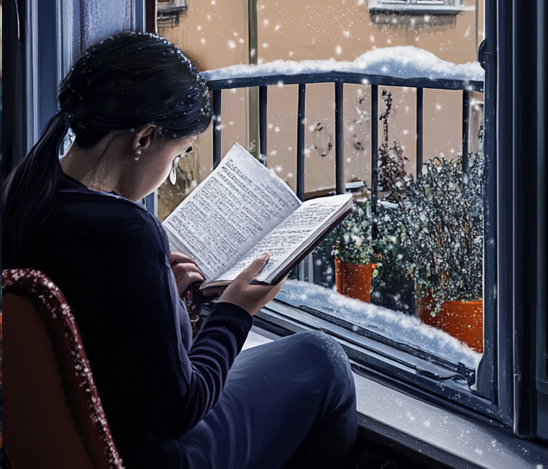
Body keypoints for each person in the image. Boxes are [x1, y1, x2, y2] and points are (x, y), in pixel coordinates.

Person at [2, 32, 357, 469]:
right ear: (143, 139)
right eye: (177, 157)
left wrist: (162, 298)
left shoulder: (23, 192)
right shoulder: (127, 231)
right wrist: (234, 312)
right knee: (324, 360)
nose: (169, 175)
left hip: (78, 442)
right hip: (148, 453)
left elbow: (100, 333)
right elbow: (179, 409)